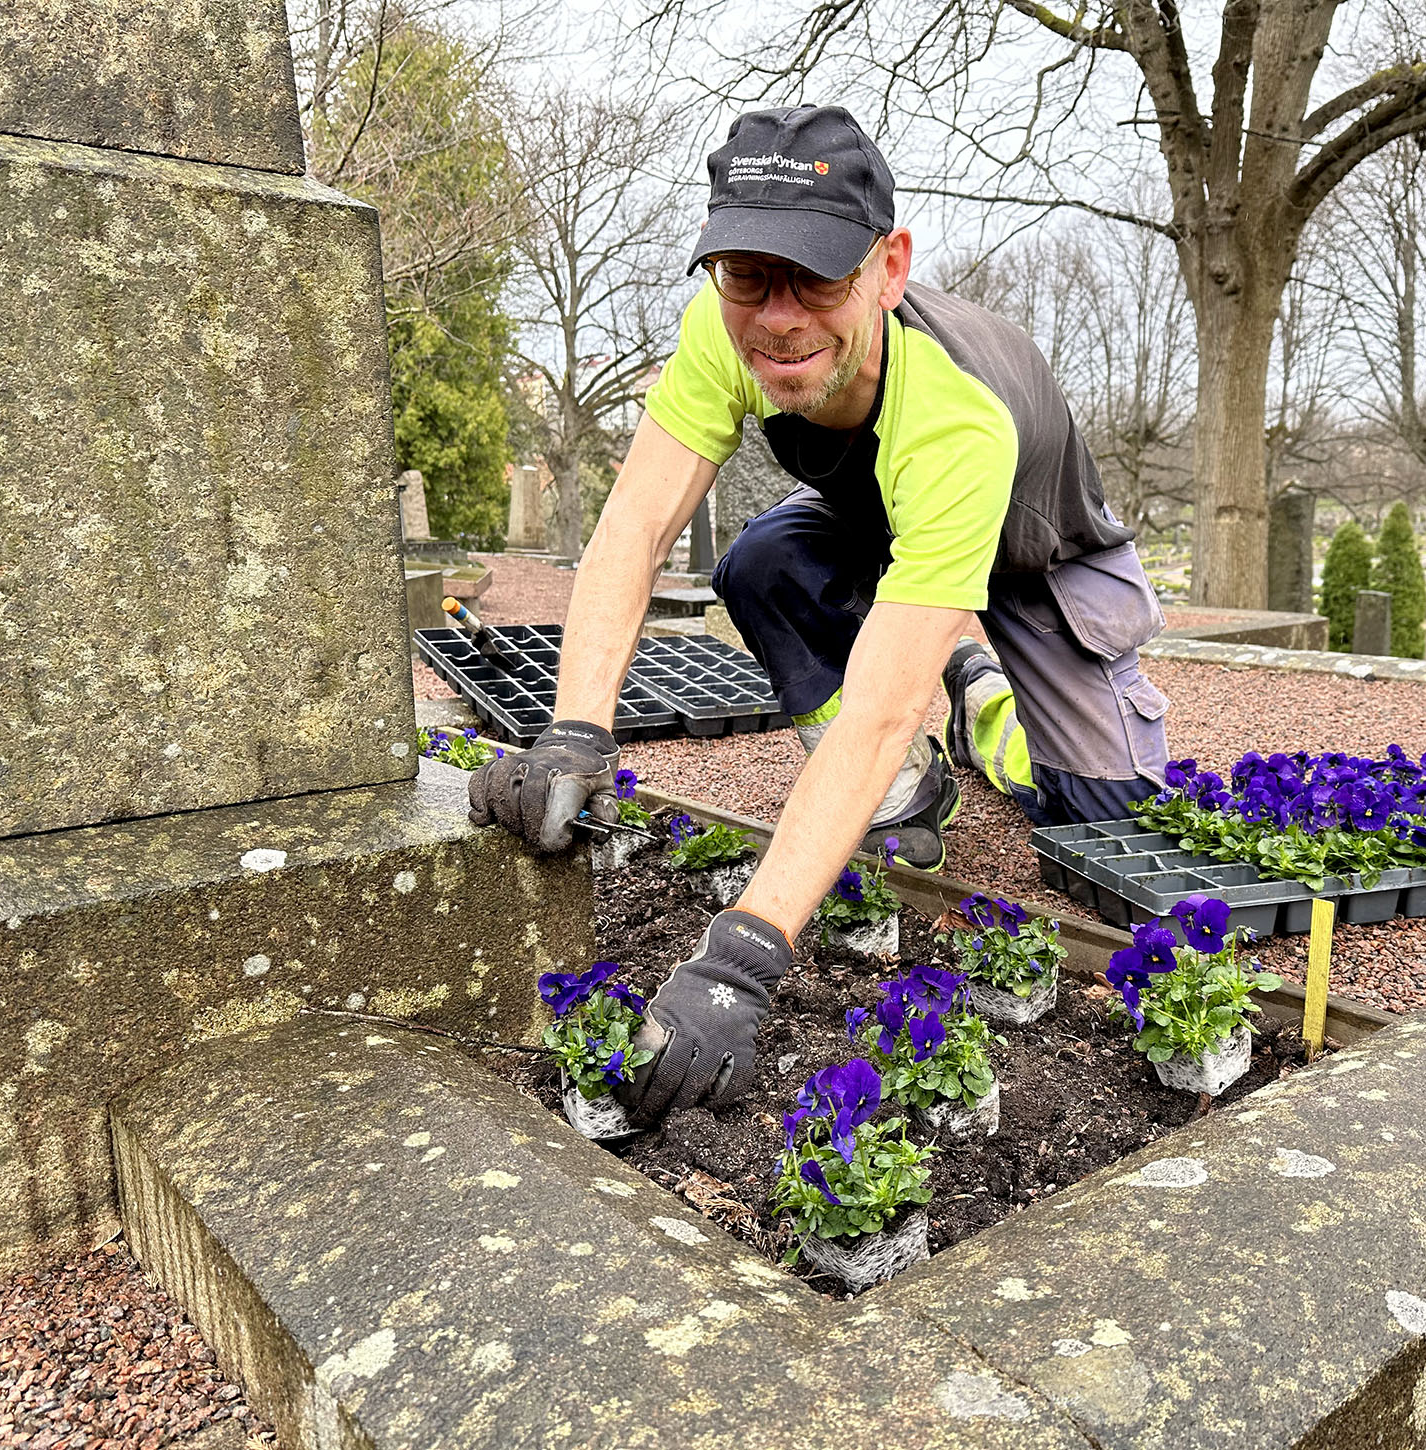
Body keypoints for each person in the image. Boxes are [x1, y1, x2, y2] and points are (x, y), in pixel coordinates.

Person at [467, 104, 1170, 1119]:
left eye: (819, 275)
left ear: (889, 268)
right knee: (757, 566)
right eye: (750, 274)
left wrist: (741, 958)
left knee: (1100, 823)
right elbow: (633, 527)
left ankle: (986, 708)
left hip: (1038, 554)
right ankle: (914, 787)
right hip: (882, 512)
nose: (780, 316)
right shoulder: (722, 325)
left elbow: (884, 708)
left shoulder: (955, 413)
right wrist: (573, 731)